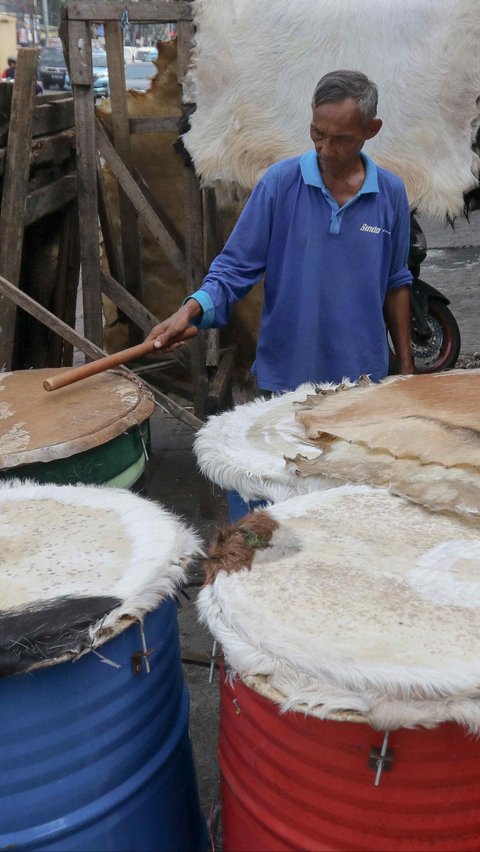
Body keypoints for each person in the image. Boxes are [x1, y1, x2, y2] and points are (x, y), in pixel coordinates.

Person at [146, 70, 414, 393]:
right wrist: (188, 312)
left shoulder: (390, 193)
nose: (325, 149)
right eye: (317, 133)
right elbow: (233, 268)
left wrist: (407, 367)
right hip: (287, 379)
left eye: (341, 139)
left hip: (363, 379)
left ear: (371, 130)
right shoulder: (279, 184)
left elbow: (396, 282)